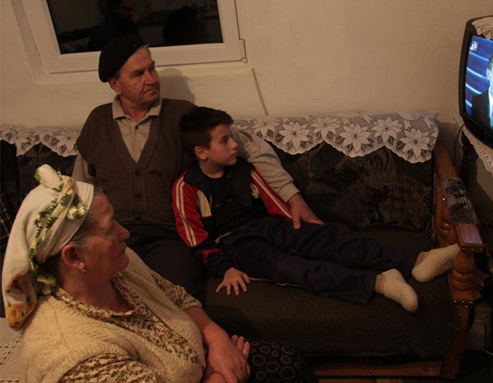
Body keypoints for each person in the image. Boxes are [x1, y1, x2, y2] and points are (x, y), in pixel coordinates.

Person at [1, 165, 322, 383]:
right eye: (111, 229)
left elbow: (177, 297)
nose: (125, 234)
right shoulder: (78, 356)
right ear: (73, 256)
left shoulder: (119, 268)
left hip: (204, 371)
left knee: (287, 365)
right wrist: (222, 380)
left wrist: (218, 340)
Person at [73, 34, 321, 299]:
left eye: (152, 69)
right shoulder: (97, 121)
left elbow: (252, 149)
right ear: (115, 85)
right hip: (114, 232)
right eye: (138, 74)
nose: (152, 79)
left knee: (180, 290)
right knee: (90, 286)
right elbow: (80, 186)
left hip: (168, 236)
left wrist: (293, 198)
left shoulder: (183, 115)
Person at [172, 107, 462, 312]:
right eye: (225, 140)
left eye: (232, 136)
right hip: (237, 246)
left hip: (270, 227)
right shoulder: (187, 187)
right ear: (201, 152)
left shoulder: (242, 168)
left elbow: (272, 201)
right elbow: (197, 242)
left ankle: (417, 261)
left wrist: (300, 226)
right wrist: (226, 268)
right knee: (292, 268)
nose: (235, 144)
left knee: (330, 236)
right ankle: (381, 282)